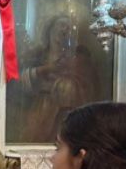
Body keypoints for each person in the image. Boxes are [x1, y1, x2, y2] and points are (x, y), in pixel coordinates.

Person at [13, 15, 101, 143]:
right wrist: (42, 70)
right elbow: (18, 80)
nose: (65, 30)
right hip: (40, 109)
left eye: (69, 28)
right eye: (62, 25)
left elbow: (88, 86)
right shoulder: (37, 54)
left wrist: (62, 85)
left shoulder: (77, 57)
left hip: (65, 111)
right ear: (50, 29)